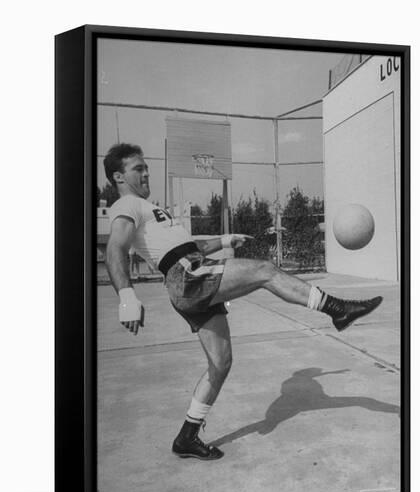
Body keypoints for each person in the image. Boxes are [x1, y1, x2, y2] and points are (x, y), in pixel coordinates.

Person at [104, 143, 383, 461]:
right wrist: (126, 297)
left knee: (220, 364)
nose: (145, 172)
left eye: (145, 167)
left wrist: (224, 240)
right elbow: (115, 248)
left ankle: (187, 436)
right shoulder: (126, 204)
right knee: (265, 270)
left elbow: (186, 244)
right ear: (118, 176)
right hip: (188, 276)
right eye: (137, 168)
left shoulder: (148, 210)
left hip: (189, 274)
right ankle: (337, 309)